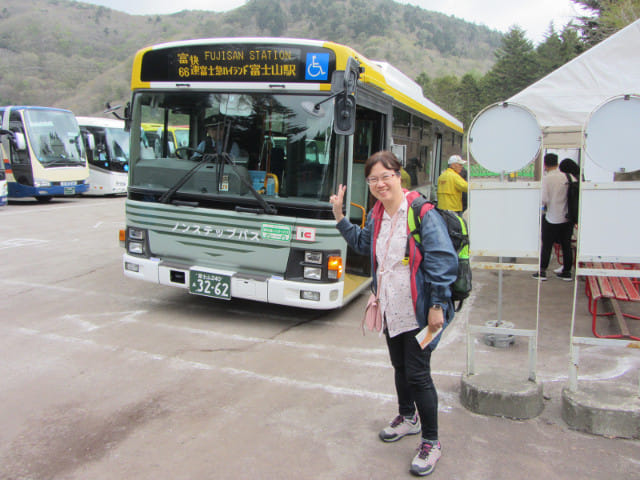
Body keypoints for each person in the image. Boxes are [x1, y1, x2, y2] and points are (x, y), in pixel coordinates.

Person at [329, 150, 458, 477]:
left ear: (399, 176)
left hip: (420, 311)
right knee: (400, 366)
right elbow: (363, 244)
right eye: (373, 179)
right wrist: (340, 215)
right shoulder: (377, 214)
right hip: (390, 306)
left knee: (418, 374)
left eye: (386, 176)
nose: (380, 183)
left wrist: (437, 306)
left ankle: (431, 441)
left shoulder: (421, 213)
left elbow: (443, 262)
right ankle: (407, 417)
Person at [533, 153, 576, 281]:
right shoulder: (569, 177)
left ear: (545, 164)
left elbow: (544, 199)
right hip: (568, 218)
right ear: (557, 163)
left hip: (552, 217)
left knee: (547, 245)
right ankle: (567, 272)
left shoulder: (547, 179)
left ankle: (542, 272)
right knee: (566, 245)